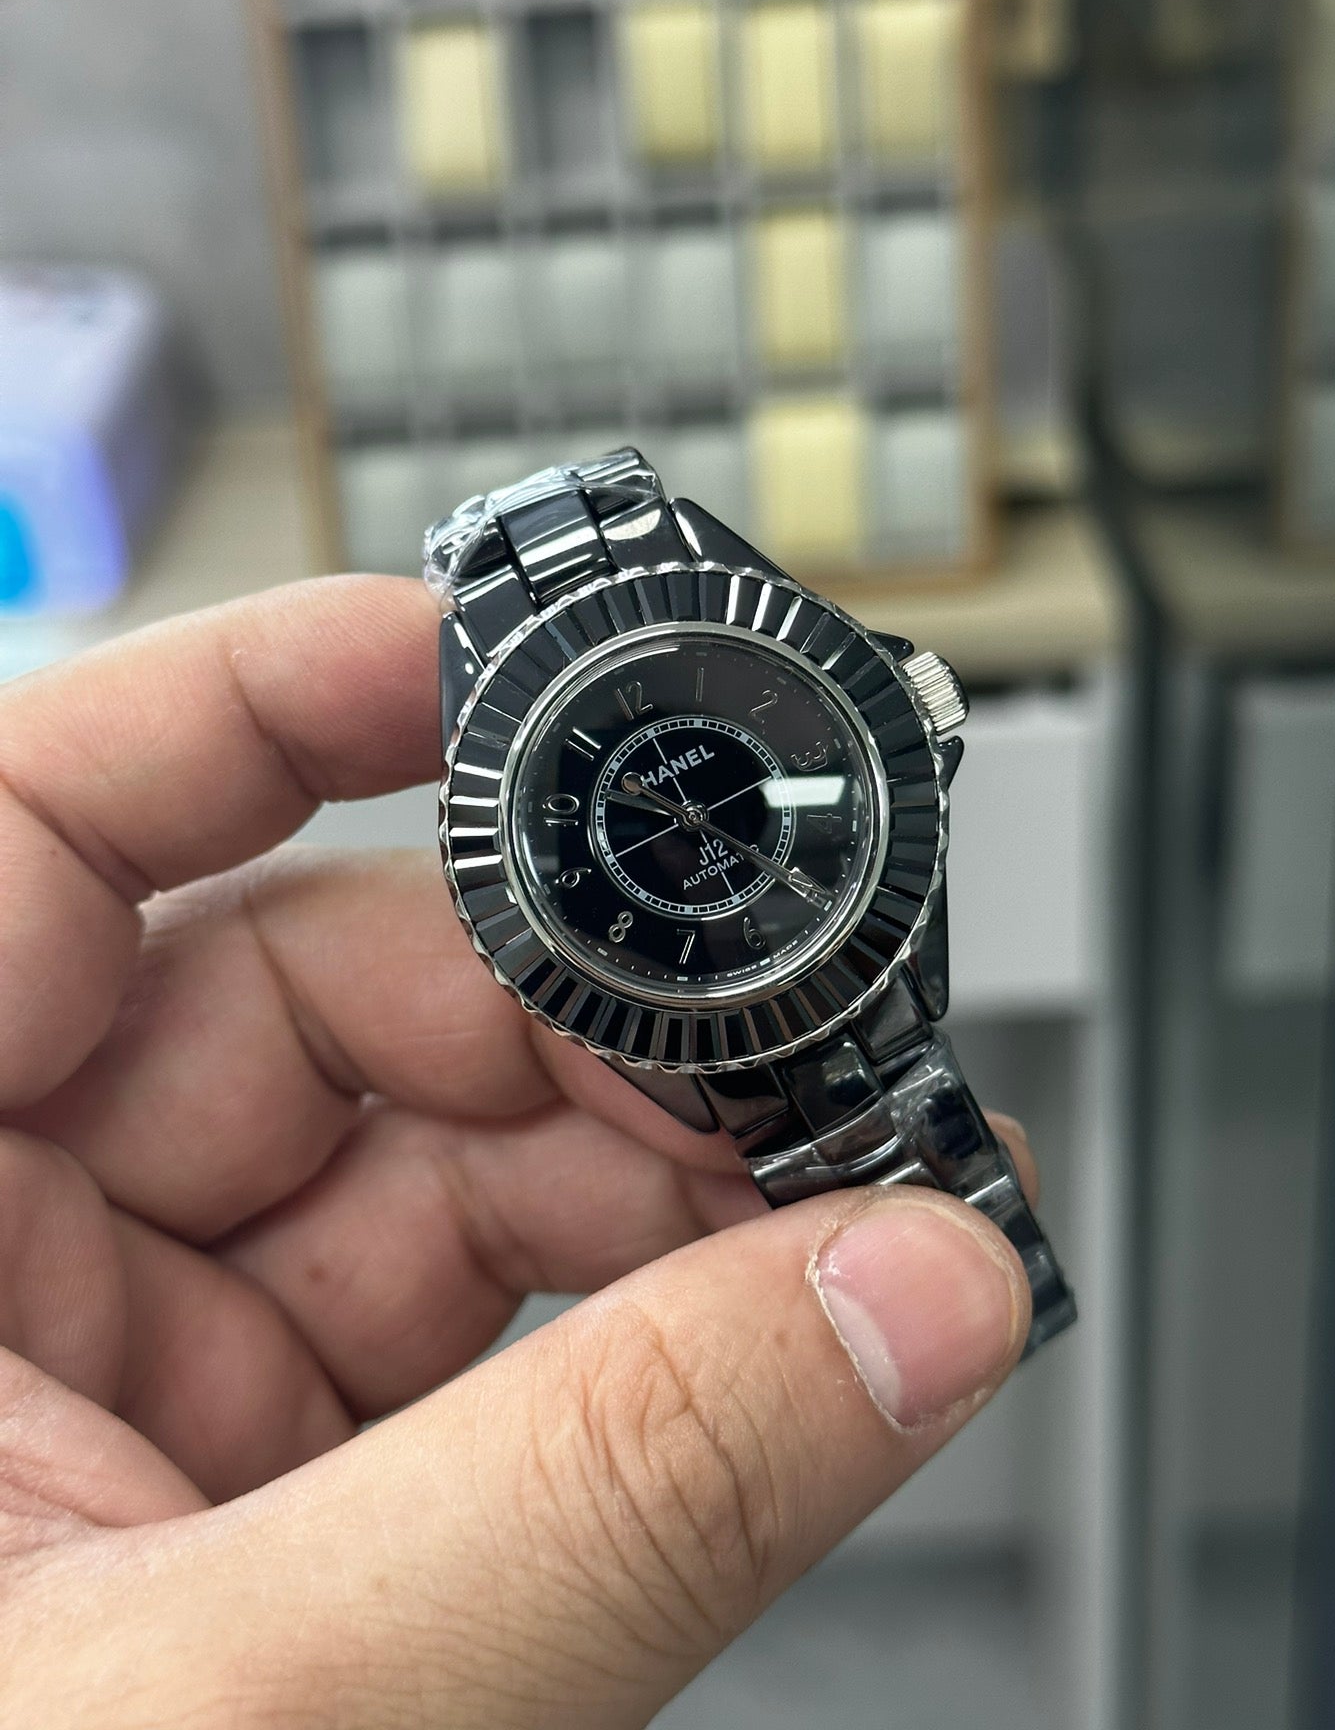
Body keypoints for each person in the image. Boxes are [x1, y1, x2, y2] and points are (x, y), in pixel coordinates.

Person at [0, 575, 1038, 1727]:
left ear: (905, 714)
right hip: (745, 995)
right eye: (658, 825)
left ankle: (987, 1269)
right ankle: (990, 1273)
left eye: (699, 812)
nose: (693, 826)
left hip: (802, 966)